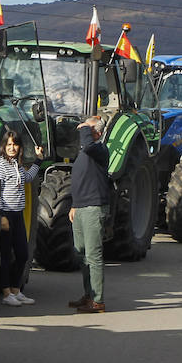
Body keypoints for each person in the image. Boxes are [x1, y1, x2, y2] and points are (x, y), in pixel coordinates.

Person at [67, 116, 110, 313]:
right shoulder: (85, 152)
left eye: (87, 130)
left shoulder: (100, 149)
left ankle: (98, 300)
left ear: (97, 134)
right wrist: (74, 205)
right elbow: (80, 180)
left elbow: (90, 146)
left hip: (94, 207)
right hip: (81, 207)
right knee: (81, 253)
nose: (83, 133)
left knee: (93, 255)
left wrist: (84, 127)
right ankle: (88, 295)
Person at [0, 130, 43, 307]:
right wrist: (0, 216)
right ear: (3, 147)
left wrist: (39, 159)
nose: (12, 148)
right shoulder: (1, 165)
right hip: (6, 215)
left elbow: (29, 178)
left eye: (15, 145)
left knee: (23, 254)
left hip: (18, 215)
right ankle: (6, 292)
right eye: (8, 145)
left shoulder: (17, 165)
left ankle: (16, 290)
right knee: (5, 256)